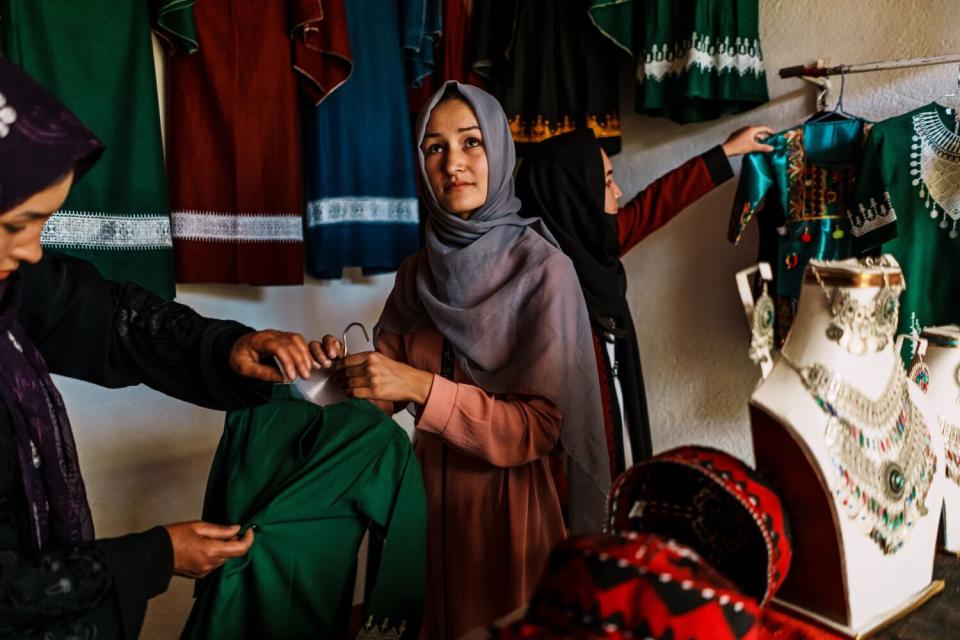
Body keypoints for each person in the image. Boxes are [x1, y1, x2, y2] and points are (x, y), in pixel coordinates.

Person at [0, 58, 321, 639]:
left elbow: (97, 315)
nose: (29, 252)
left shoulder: (13, 284)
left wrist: (225, 346)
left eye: (42, 224)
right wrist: (153, 557)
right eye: (14, 225)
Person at [315, 81, 606, 639]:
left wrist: (421, 386)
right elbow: (384, 387)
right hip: (420, 507)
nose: (454, 163)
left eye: (471, 143)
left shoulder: (544, 271)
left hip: (509, 510)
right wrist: (336, 374)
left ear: (499, 149)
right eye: (435, 147)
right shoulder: (417, 272)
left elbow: (538, 428)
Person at [514, 126, 772, 480]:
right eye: (607, 181)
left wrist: (726, 152)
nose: (618, 190)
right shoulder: (539, 282)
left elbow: (655, 204)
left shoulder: (595, 249)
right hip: (563, 474)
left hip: (611, 441)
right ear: (574, 193)